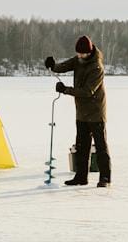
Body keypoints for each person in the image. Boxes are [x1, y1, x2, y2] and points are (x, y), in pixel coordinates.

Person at [43, 34, 110, 187]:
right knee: (81, 145)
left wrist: (65, 90)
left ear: (89, 52)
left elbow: (88, 91)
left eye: (82, 54)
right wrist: (53, 65)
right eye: (78, 53)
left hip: (96, 111)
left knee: (101, 146)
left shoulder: (96, 67)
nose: (79, 56)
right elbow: (64, 66)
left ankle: (105, 178)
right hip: (81, 111)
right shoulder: (78, 60)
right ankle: (81, 177)